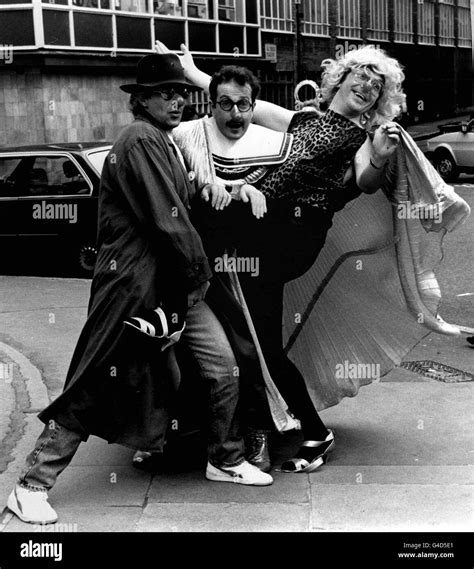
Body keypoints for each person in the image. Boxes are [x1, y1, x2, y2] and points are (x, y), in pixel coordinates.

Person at [155, 42, 470, 473]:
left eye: (376, 86)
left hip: (290, 237)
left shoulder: (362, 139)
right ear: (339, 80)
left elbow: (364, 178)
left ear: (378, 101)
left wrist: (378, 157)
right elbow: (243, 99)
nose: (366, 85)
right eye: (360, 75)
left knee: (214, 239)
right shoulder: (303, 120)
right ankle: (277, 423)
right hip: (260, 232)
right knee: (258, 341)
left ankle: (272, 425)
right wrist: (191, 71)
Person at [6, 53, 274, 526]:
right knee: (93, 381)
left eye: (181, 93)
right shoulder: (139, 141)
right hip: (132, 285)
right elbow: (169, 222)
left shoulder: (163, 142)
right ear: (142, 99)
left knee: (222, 366)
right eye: (166, 93)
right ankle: (31, 486)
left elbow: (186, 203)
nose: (177, 100)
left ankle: (225, 459)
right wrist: (200, 277)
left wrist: (225, 190)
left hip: (173, 286)